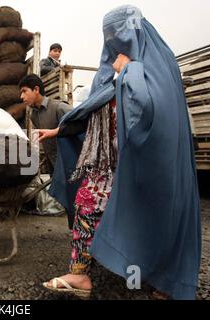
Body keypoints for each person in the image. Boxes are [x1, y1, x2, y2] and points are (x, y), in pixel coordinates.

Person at [38, 5, 201, 300]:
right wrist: (60, 131)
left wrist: (129, 70)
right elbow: (94, 110)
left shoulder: (160, 65)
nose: (113, 40)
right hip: (110, 165)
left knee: (159, 216)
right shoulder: (111, 69)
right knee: (87, 205)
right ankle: (80, 274)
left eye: (118, 32)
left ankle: (165, 280)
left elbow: (149, 110)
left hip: (153, 163)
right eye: (108, 35)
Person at [19, 74, 71, 175]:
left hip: (68, 165)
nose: (21, 96)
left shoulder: (59, 107)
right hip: (53, 165)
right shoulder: (33, 115)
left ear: (36, 89)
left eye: (24, 91)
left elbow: (80, 125)